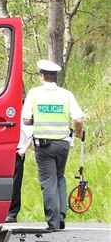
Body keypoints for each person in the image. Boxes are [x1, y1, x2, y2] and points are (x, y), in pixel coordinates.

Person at [22, 59, 84, 231]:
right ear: (55, 77)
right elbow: (78, 119)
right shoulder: (66, 94)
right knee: (60, 177)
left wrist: (40, 118)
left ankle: (53, 222)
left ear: (42, 76)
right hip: (63, 143)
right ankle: (61, 215)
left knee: (48, 181)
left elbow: (26, 120)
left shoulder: (34, 94)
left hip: (44, 146)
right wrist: (78, 133)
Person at [5, 110, 33, 223]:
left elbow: (31, 135)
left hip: (17, 151)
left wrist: (24, 150)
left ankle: (12, 213)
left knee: (15, 183)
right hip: (7, 150)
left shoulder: (21, 116)